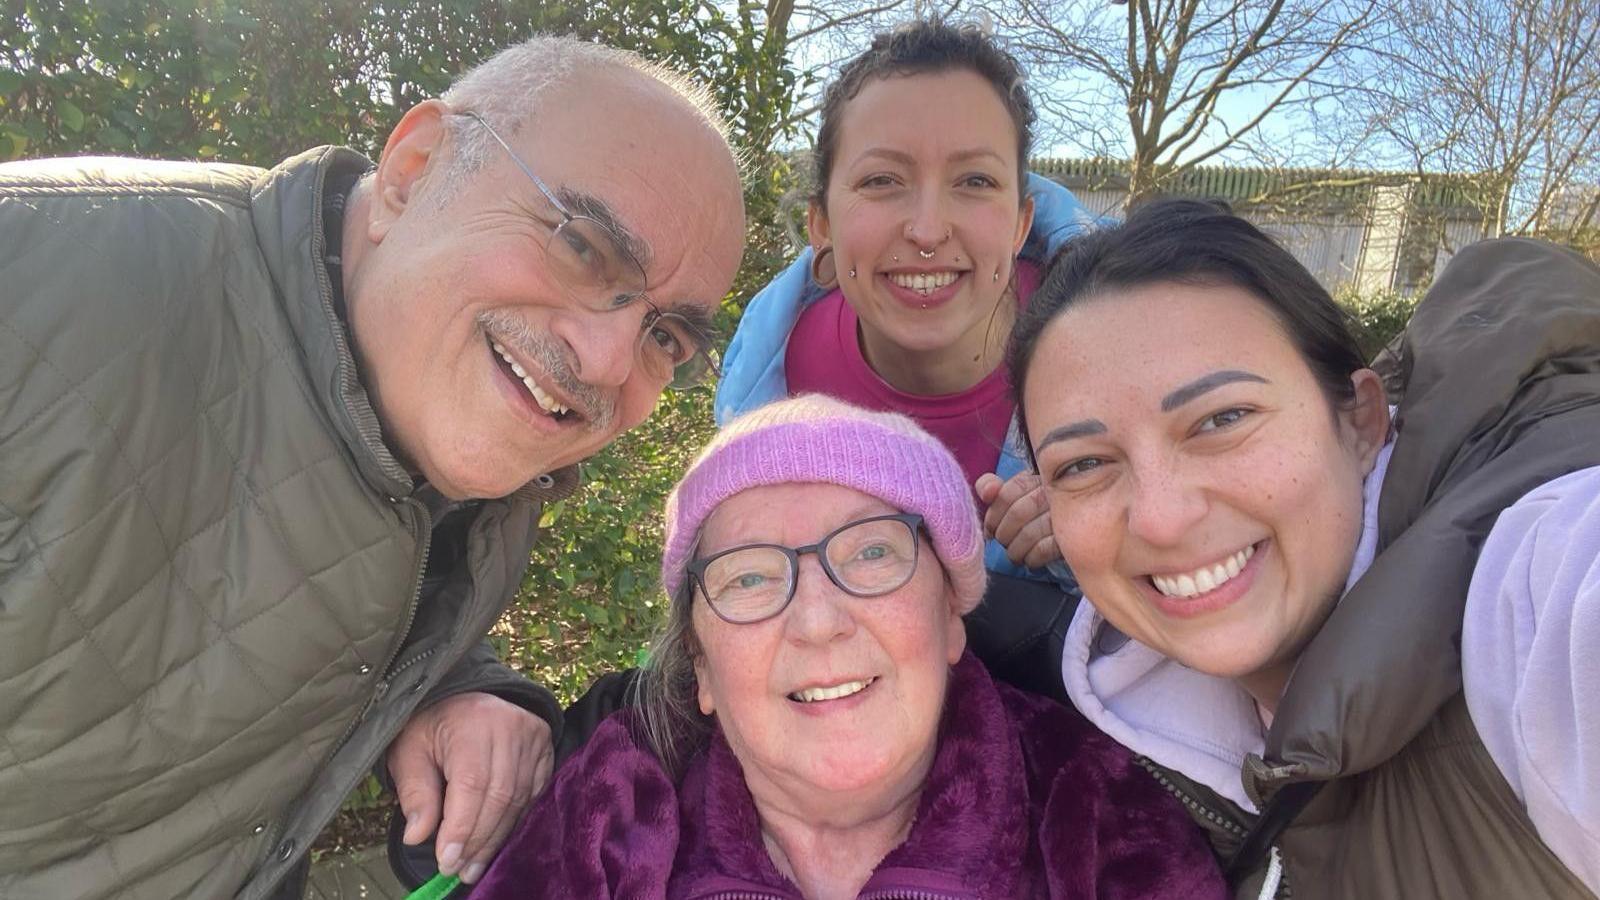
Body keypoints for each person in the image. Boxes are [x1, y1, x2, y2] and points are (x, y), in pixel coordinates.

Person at [0, 35, 745, 900]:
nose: (611, 361)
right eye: (582, 249)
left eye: (665, 336)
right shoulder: (34, 280)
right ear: (413, 170)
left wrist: (462, 685)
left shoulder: (455, 431)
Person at [1008, 198, 1600, 898]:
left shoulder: (1533, 594)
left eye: (1222, 419)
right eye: (1083, 465)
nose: (1162, 520)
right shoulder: (1122, 752)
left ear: (1361, 423)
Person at [472, 395, 1226, 899]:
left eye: (871, 554)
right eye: (750, 577)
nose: (818, 620)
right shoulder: (614, 804)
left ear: (953, 616)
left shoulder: (1092, 807)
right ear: (699, 667)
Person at [715, 21, 1103, 600]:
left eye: (974, 181)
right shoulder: (768, 381)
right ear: (822, 224)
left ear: (1021, 224)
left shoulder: (1113, 358)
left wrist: (1101, 531)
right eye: (881, 180)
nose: (926, 230)